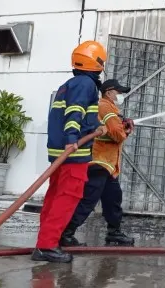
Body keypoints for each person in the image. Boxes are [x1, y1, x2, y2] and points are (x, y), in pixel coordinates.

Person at [31, 40, 109, 264]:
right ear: (97, 63)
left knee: (55, 197)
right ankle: (47, 245)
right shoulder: (86, 84)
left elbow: (79, 113)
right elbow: (75, 112)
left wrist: (95, 128)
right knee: (67, 199)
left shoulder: (70, 84)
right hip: (73, 153)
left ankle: (46, 241)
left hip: (60, 152)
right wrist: (73, 139)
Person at [60, 78, 135, 247]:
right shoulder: (105, 106)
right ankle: (67, 233)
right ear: (109, 92)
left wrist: (123, 127)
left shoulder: (109, 108)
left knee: (113, 198)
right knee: (88, 200)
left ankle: (114, 233)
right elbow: (117, 134)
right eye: (119, 92)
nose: (120, 95)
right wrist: (126, 130)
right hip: (98, 163)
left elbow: (111, 130)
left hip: (107, 166)